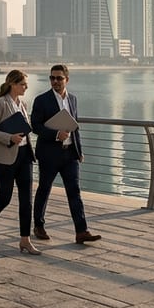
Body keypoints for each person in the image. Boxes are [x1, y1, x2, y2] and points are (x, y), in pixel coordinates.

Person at [31, 64, 101, 244]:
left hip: (70, 155)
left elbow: (75, 127)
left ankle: (81, 231)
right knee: (44, 189)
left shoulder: (73, 99)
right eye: (52, 78)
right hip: (49, 154)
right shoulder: (41, 100)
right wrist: (56, 134)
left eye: (59, 78)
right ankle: (38, 226)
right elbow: (35, 126)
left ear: (66, 80)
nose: (55, 81)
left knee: (74, 192)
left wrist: (79, 151)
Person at [0, 69, 41, 255]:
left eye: (26, 84)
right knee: (4, 197)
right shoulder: (0, 103)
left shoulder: (23, 104)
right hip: (5, 158)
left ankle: (25, 240)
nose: (26, 87)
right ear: (13, 84)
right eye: (23, 84)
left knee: (26, 200)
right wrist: (9, 137)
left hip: (25, 156)